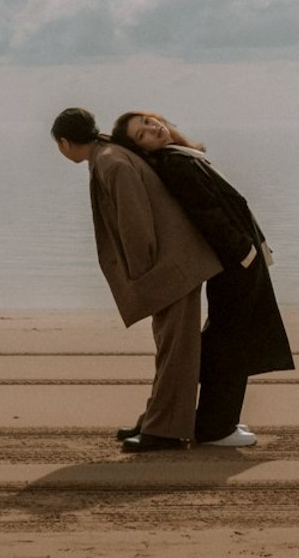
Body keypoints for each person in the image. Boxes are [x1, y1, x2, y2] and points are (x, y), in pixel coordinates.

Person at [112, 110, 295, 446]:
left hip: (235, 259)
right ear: (142, 149)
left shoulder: (181, 155)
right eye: (142, 134)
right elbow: (206, 212)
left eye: (150, 122)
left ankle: (204, 420)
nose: (154, 129)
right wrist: (244, 252)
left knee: (227, 340)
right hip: (234, 262)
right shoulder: (175, 163)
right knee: (232, 342)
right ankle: (215, 428)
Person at [51, 108, 222, 453]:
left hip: (171, 267)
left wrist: (143, 276)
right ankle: (157, 420)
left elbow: (135, 221)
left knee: (177, 350)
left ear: (65, 144)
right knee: (170, 346)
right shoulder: (108, 153)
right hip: (175, 261)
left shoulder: (111, 161)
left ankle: (167, 432)